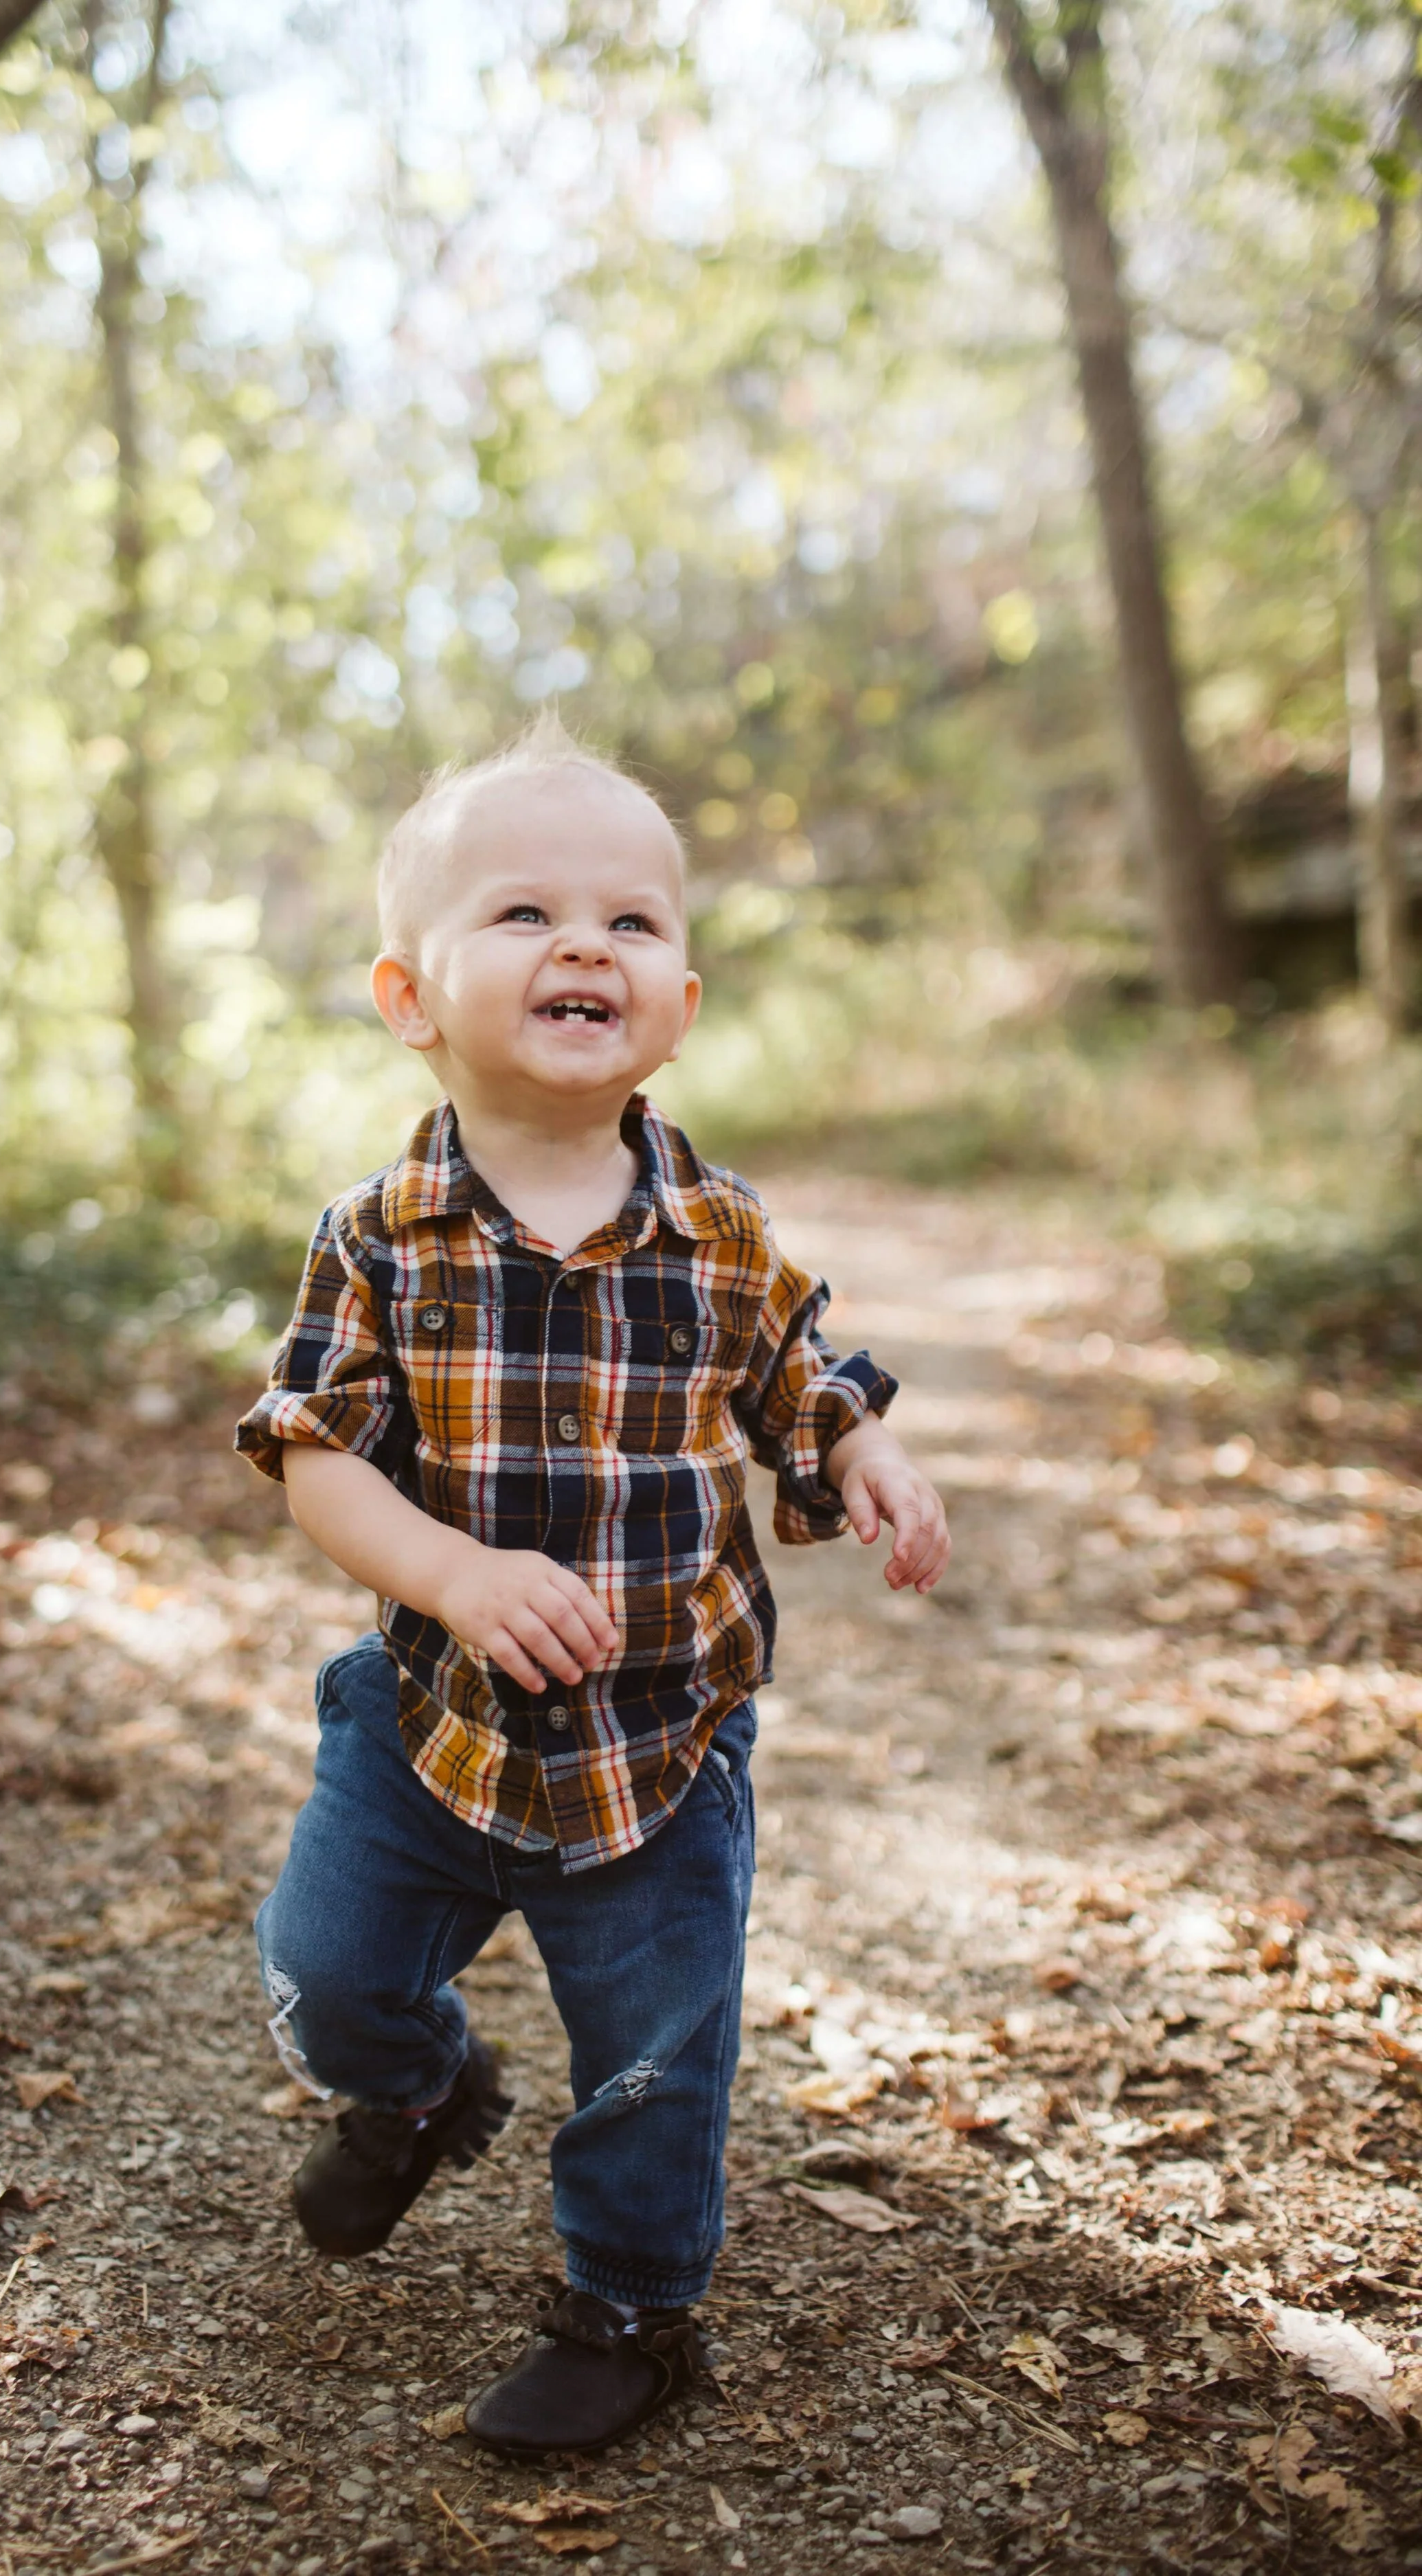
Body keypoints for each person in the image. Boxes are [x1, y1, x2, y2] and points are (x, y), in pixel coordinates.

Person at [234, 715, 949, 2458]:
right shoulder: (378, 1233)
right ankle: (413, 2091)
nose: (583, 945)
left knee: (650, 2054)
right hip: (435, 1722)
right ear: (411, 998)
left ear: (678, 1003)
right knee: (322, 1969)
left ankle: (629, 2308)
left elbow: (800, 1372)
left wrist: (859, 1455)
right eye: (525, 914)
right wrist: (452, 1570)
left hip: (656, 1743)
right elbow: (313, 1447)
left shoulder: (721, 1230)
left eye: (630, 923)